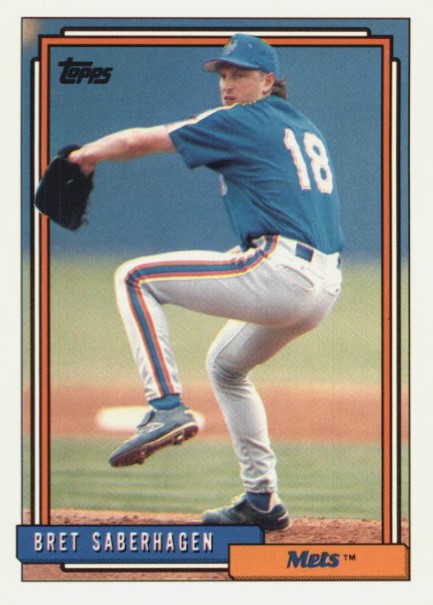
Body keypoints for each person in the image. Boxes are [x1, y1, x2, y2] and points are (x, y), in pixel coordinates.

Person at [68, 33, 344, 531]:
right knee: (226, 367)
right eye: (223, 75)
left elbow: (137, 142)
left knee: (135, 277)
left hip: (283, 273)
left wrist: (83, 156)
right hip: (323, 284)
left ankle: (165, 408)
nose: (227, 84)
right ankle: (261, 500)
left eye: (240, 74)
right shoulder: (303, 126)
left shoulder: (241, 120)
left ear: (267, 81)